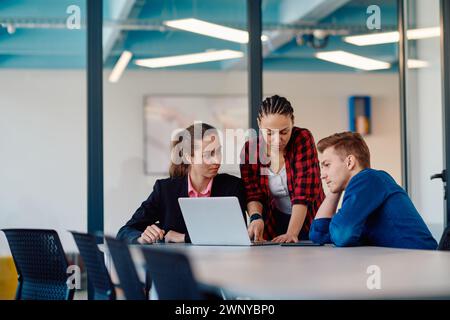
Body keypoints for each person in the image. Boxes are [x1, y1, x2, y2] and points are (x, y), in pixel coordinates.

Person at [117, 122, 246, 244]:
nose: (217, 160)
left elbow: (237, 235)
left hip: (220, 265)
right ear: (189, 157)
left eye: (218, 151)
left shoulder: (233, 187)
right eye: (208, 154)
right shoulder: (165, 190)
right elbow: (124, 232)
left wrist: (182, 237)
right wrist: (141, 238)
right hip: (177, 265)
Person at [309, 131, 438, 249]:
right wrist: (333, 191)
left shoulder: (368, 179)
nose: (322, 174)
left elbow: (341, 234)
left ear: (349, 162)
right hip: (406, 261)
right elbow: (318, 235)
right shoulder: (364, 188)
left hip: (420, 261)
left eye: (327, 165)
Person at [240, 95, 325, 243]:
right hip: (273, 221)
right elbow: (253, 194)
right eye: (270, 133)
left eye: (284, 132)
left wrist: (291, 233)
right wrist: (256, 217)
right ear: (259, 124)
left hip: (310, 220)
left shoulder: (302, 139)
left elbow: (303, 195)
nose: (277, 140)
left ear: (293, 122)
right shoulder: (250, 149)